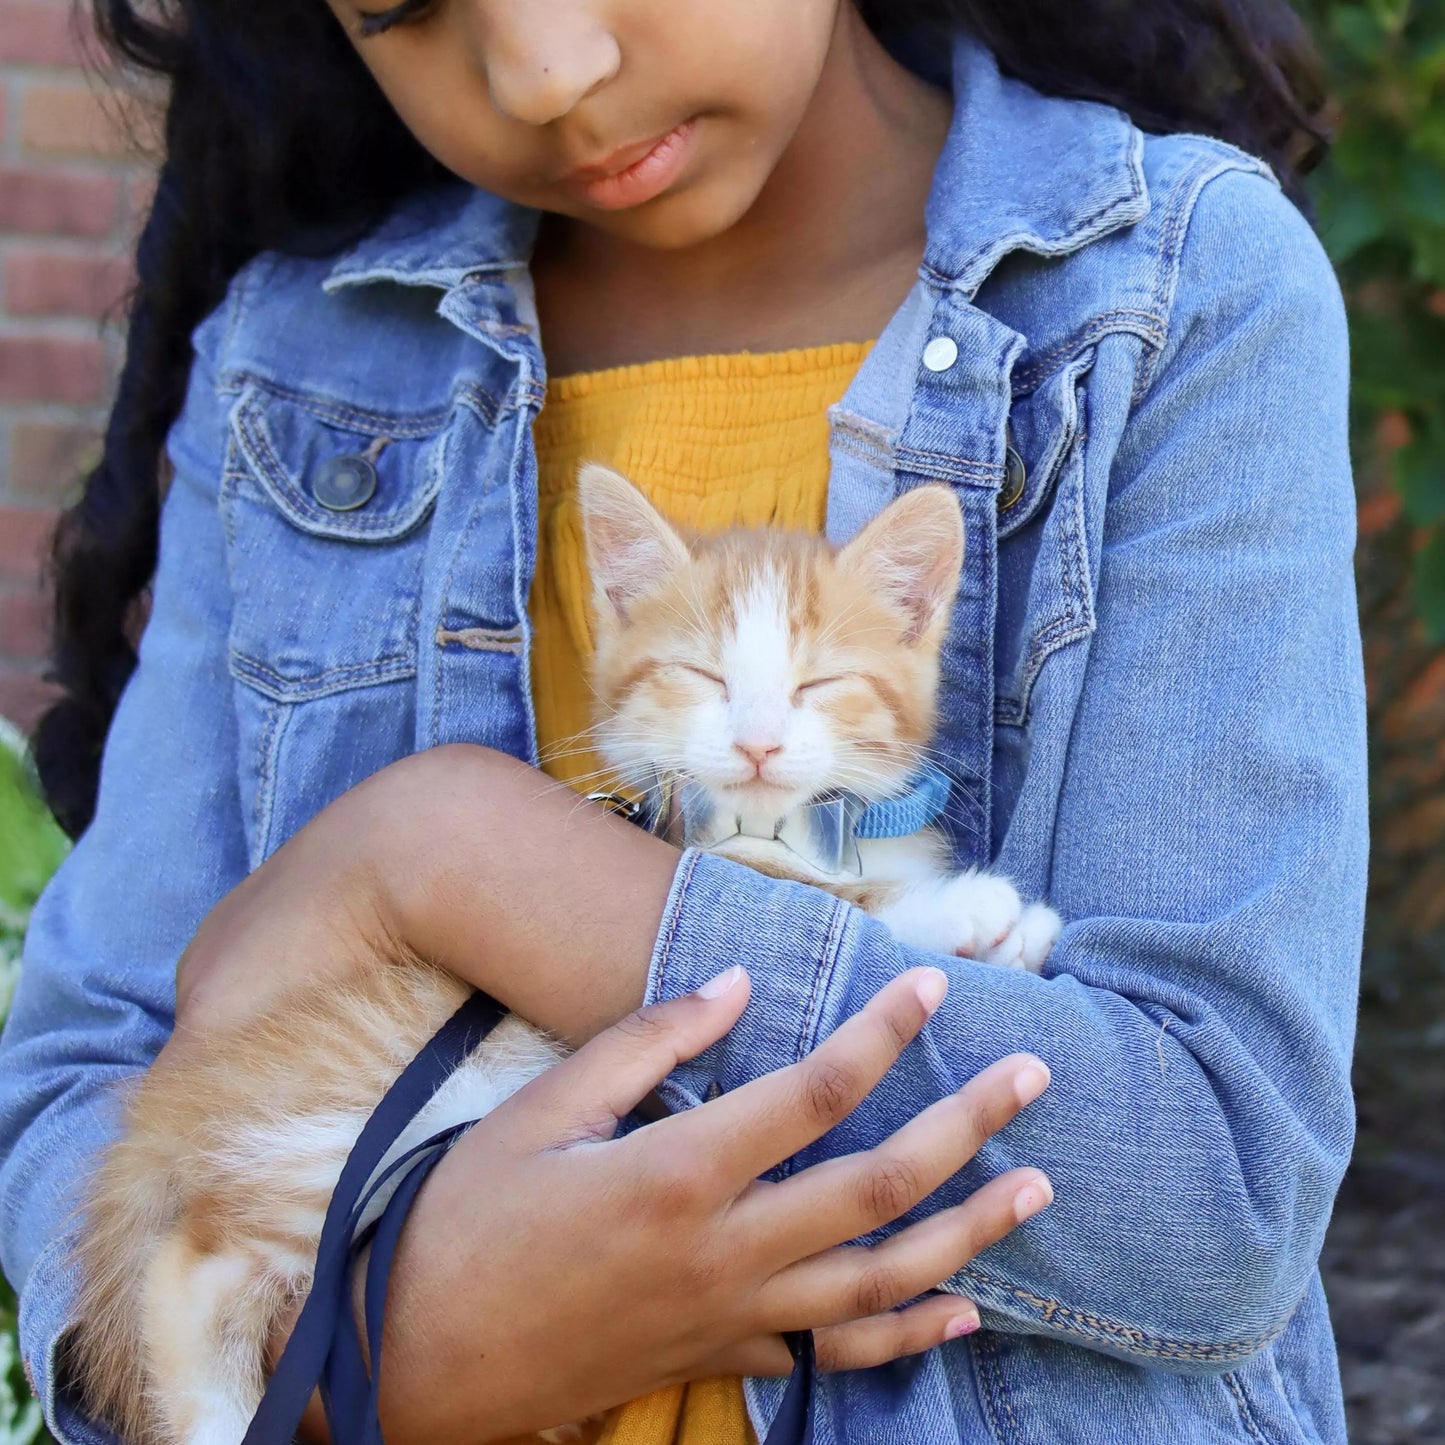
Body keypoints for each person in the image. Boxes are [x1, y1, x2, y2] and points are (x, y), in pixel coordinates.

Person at [0, 0, 1368, 1441]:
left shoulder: (1167, 299)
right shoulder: (305, 357)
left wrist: (449, 858)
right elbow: (84, 1082)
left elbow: (1210, 1183)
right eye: (403, 7)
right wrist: (385, 1345)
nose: (544, 73)